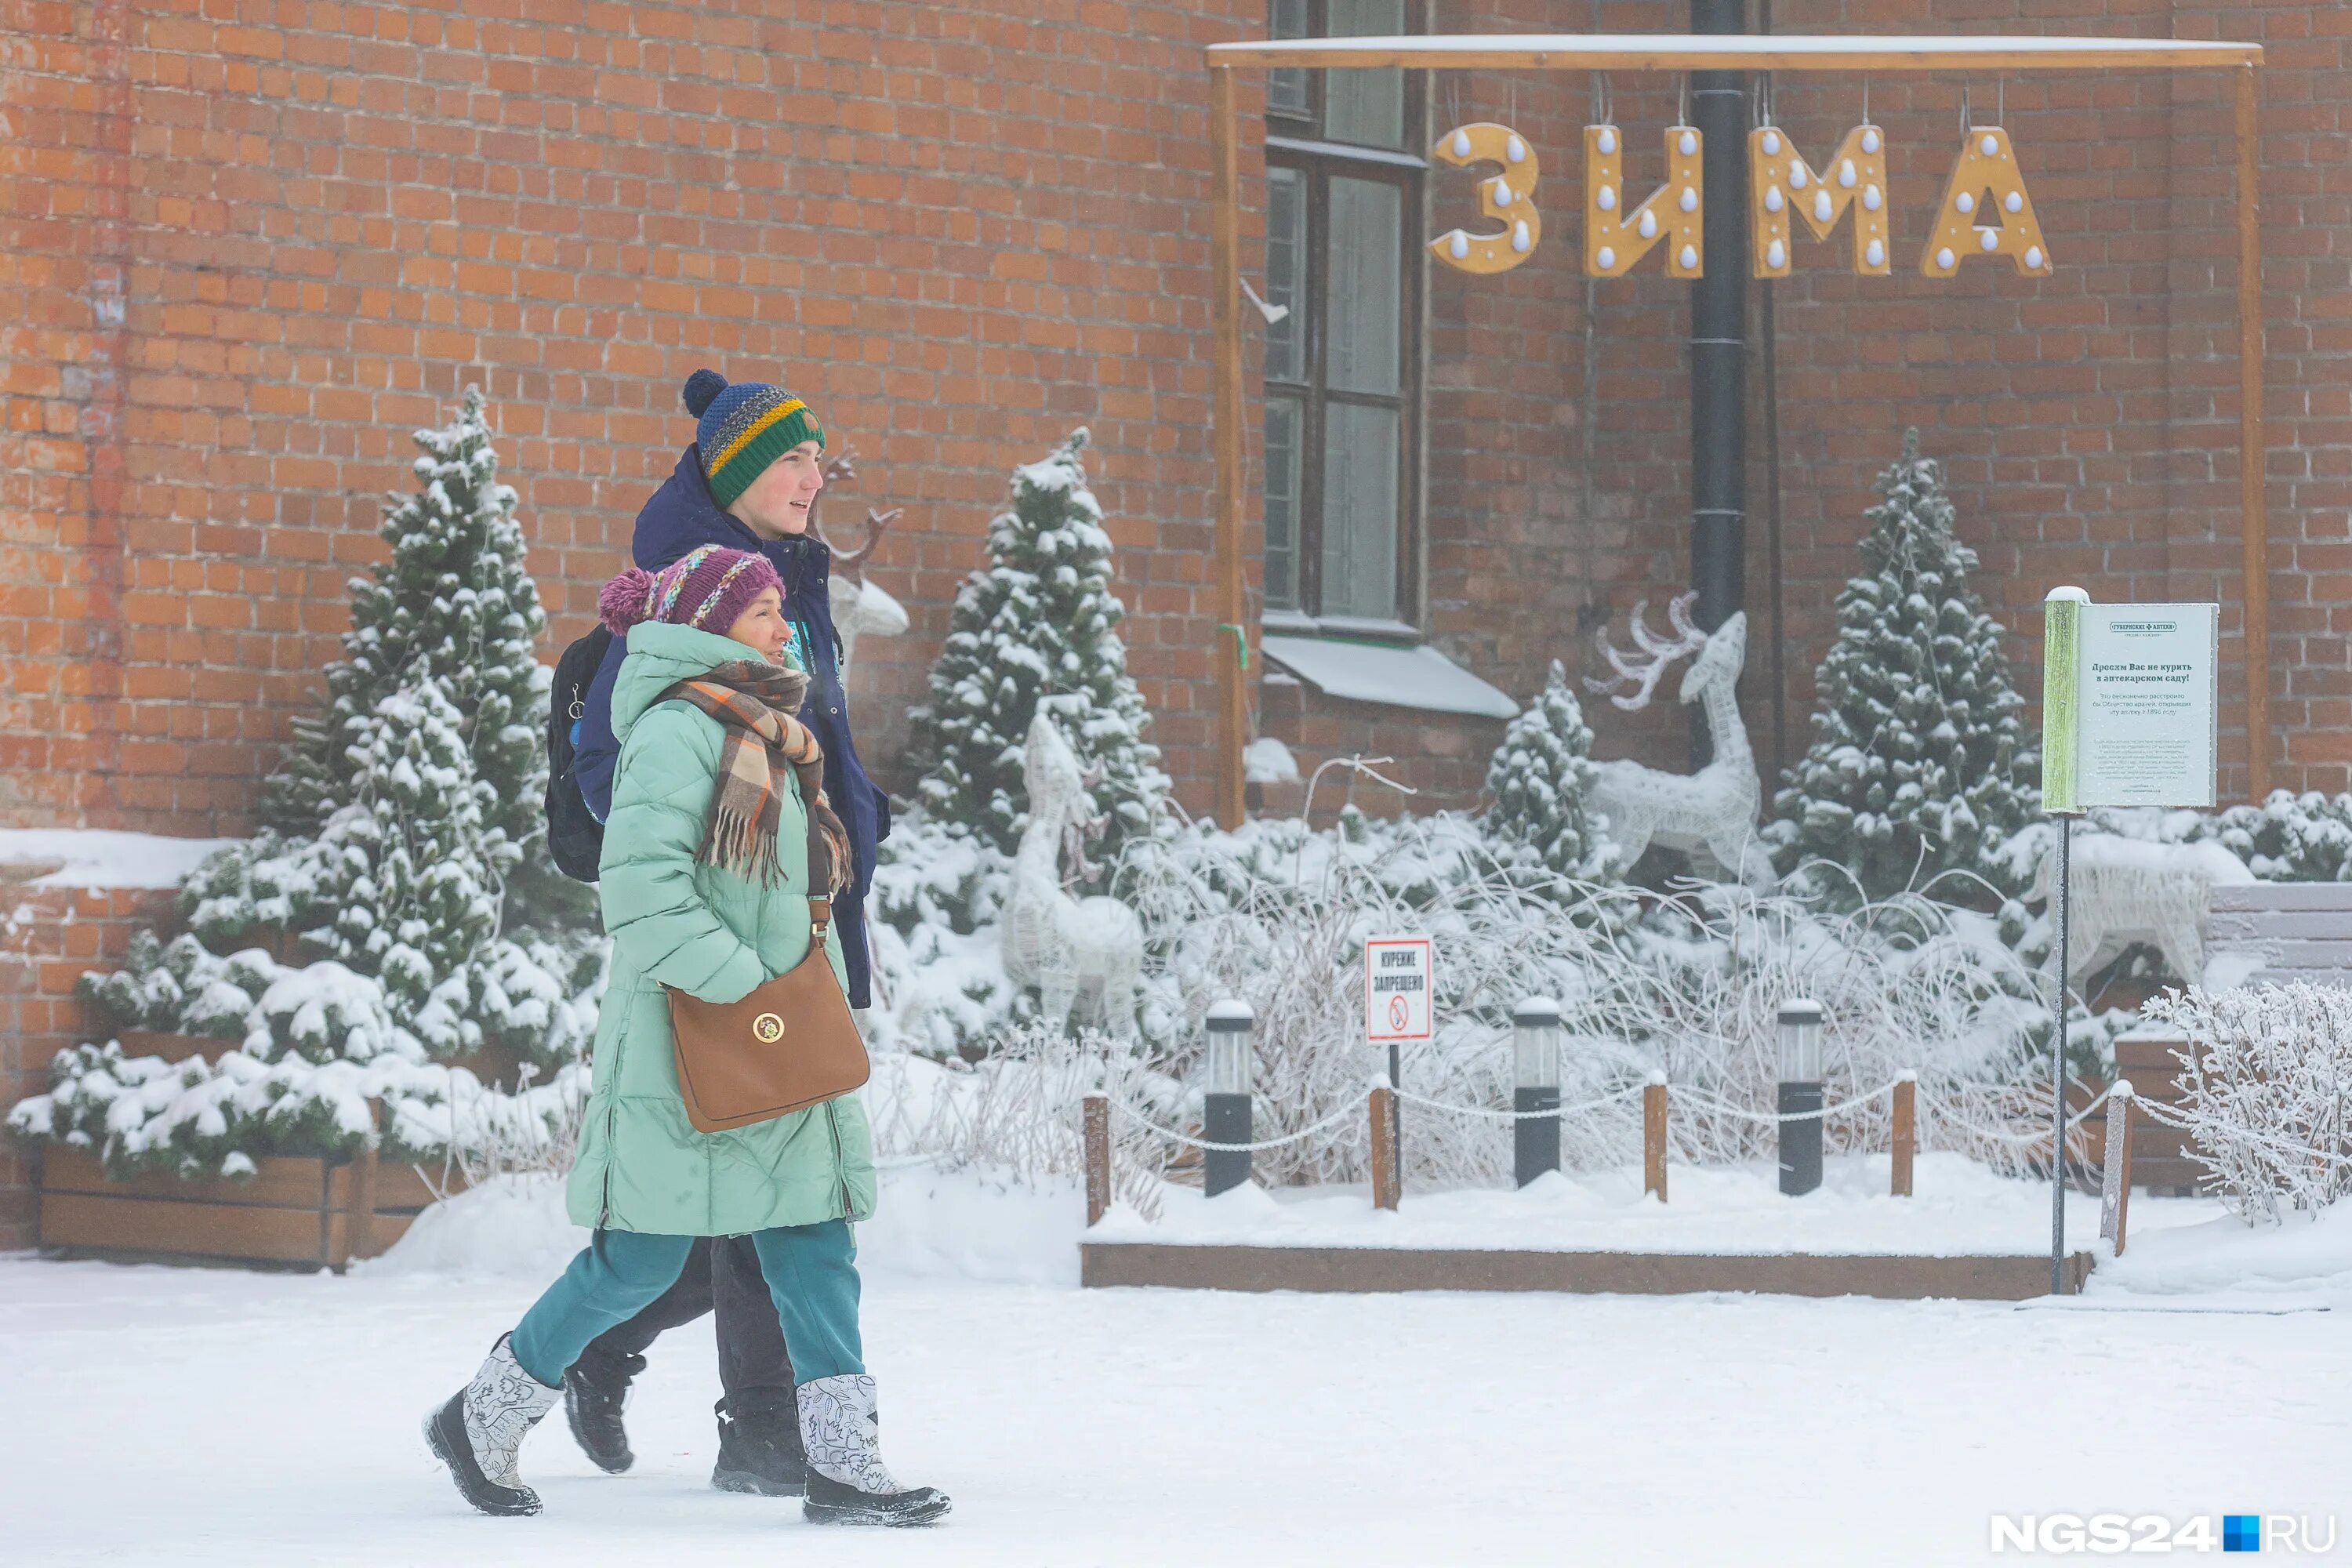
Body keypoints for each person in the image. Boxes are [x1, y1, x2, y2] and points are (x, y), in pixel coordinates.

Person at [423, 544, 948, 1527]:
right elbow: (646, 895)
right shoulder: (675, 733)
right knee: (639, 1259)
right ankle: (482, 1415)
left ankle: (841, 1463)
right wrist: (747, 989)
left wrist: (790, 998)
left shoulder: (771, 734)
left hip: (775, 1033)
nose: (783, 627)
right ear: (708, 626)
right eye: (760, 614)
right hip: (688, 1039)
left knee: (813, 1239)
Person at [562, 372, 891, 1491]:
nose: (813, 478)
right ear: (738, 471)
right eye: (791, 462)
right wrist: (720, 902)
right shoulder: (689, 587)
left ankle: (599, 1344)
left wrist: (850, 828)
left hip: (797, 918)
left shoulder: (789, 578)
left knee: (761, 1189)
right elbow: (619, 764)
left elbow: (800, 743)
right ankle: (762, 1431)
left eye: (816, 459)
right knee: (777, 1188)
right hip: (724, 942)